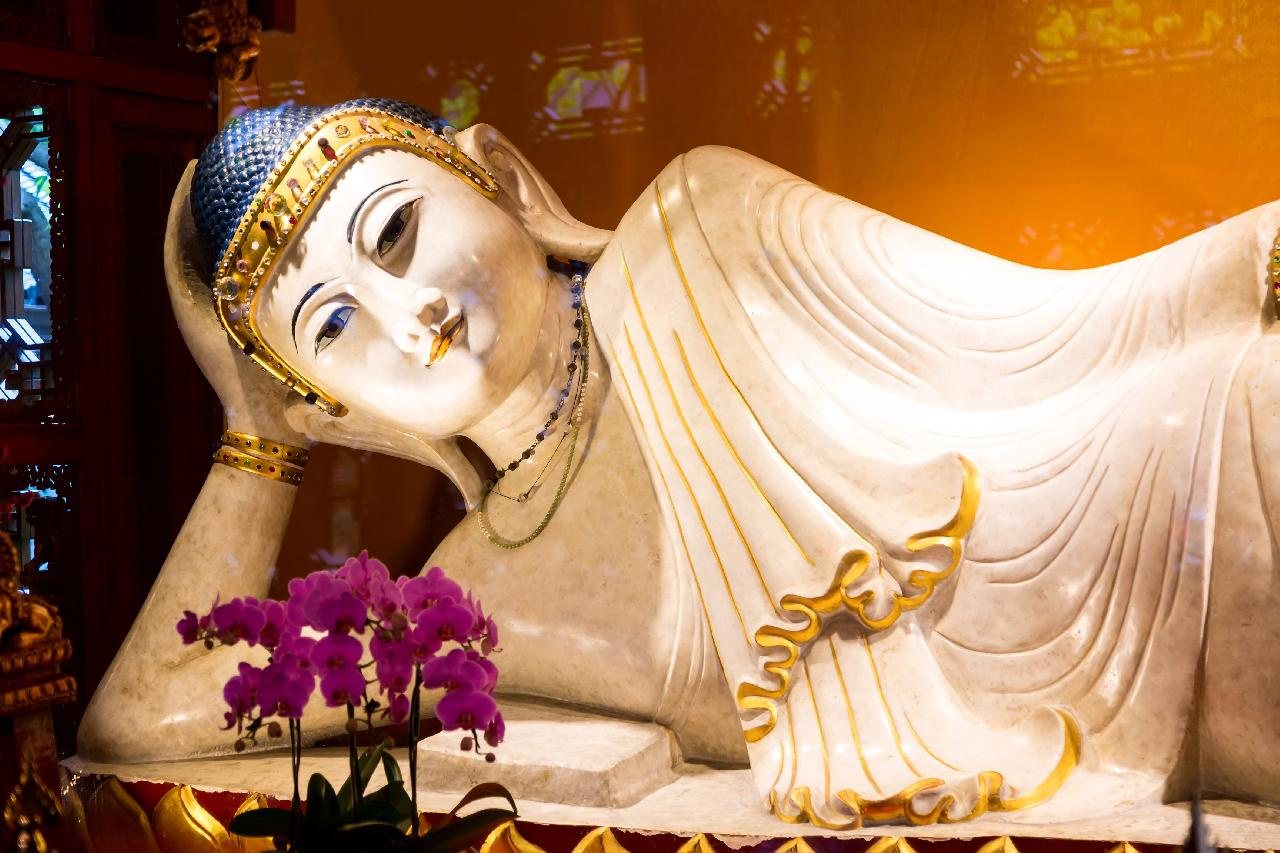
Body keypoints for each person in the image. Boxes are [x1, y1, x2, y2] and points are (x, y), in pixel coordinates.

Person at [78, 98, 1280, 827]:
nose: (409, 320)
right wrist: (256, 430)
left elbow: (1041, 329)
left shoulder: (694, 223)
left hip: (1162, 489)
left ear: (500, 180)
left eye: (394, 231)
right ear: (330, 402)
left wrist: (1252, 256)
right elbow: (147, 719)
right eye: (334, 326)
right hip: (1163, 713)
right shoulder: (470, 596)